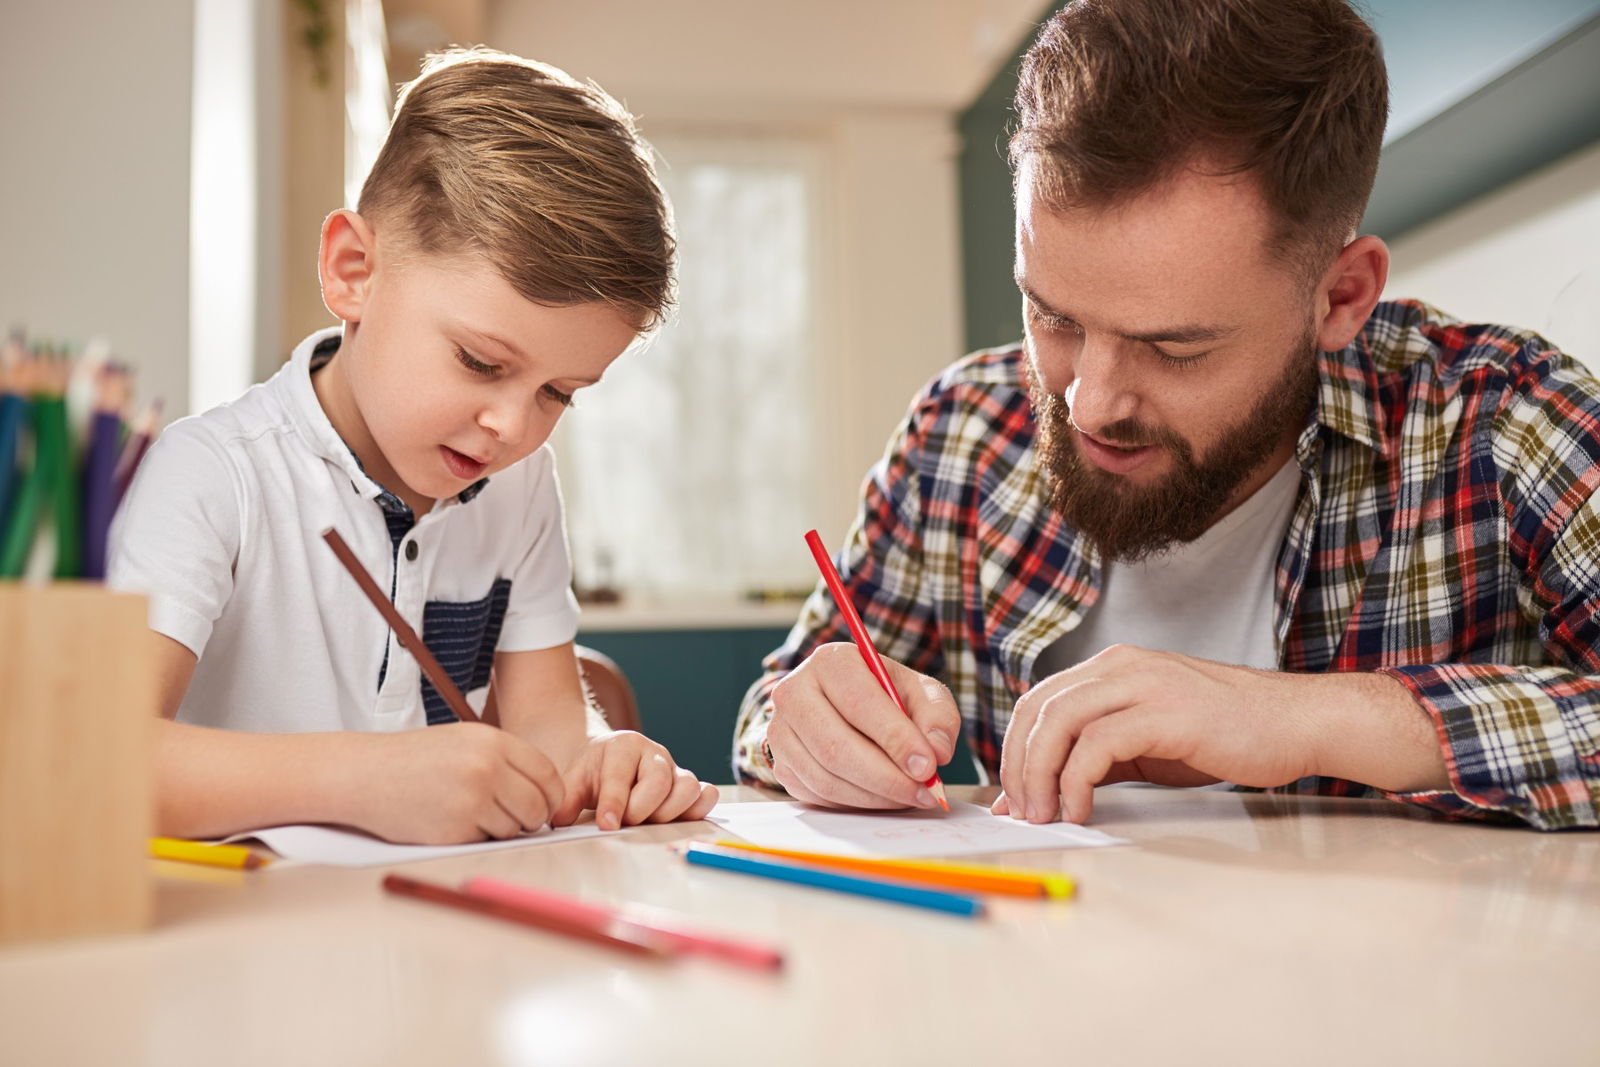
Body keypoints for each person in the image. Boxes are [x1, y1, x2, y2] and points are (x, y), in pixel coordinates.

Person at [734, 0, 1600, 831]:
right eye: (1053, 316)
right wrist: (803, 730)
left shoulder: (1499, 421)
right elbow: (775, 715)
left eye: (1176, 349)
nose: (1092, 403)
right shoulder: (959, 433)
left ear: (1340, 296)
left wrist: (1314, 719)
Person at [111, 49, 717, 844]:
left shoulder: (521, 484)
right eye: (481, 362)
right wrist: (362, 777)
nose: (514, 425)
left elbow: (549, 731)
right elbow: (103, 758)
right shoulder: (213, 474)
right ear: (353, 270)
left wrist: (600, 764)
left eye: (558, 393)